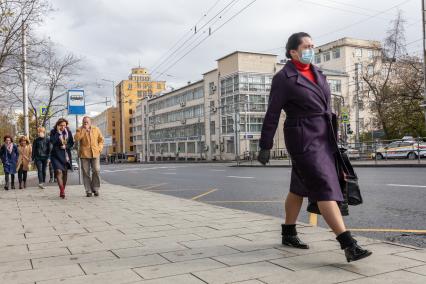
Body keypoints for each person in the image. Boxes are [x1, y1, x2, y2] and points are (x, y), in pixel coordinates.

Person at [258, 32, 372, 263]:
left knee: (299, 187)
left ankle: (288, 233)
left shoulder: (318, 72)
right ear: (293, 52)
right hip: (302, 136)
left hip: (324, 134)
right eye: (307, 46)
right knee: (324, 185)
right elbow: (272, 112)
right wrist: (265, 144)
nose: (312, 49)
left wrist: (336, 134)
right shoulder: (283, 78)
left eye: (312, 45)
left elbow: (326, 106)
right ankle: (348, 244)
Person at [74, 116, 104, 197]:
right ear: (82, 123)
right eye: (84, 122)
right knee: (86, 173)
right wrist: (83, 131)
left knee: (96, 170)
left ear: (90, 122)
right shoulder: (79, 130)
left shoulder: (96, 129)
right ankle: (88, 190)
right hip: (84, 154)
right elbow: (76, 139)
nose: (85, 123)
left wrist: (100, 149)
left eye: (87, 122)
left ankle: (95, 188)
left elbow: (101, 140)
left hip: (95, 153)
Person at [50, 118, 74, 199]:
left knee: (65, 173)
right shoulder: (53, 132)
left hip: (65, 155)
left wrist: (66, 146)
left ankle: (62, 189)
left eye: (64, 125)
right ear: (57, 125)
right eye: (61, 125)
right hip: (55, 155)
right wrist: (58, 132)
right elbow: (53, 141)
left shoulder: (69, 132)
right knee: (58, 171)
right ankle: (62, 190)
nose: (63, 127)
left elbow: (71, 143)